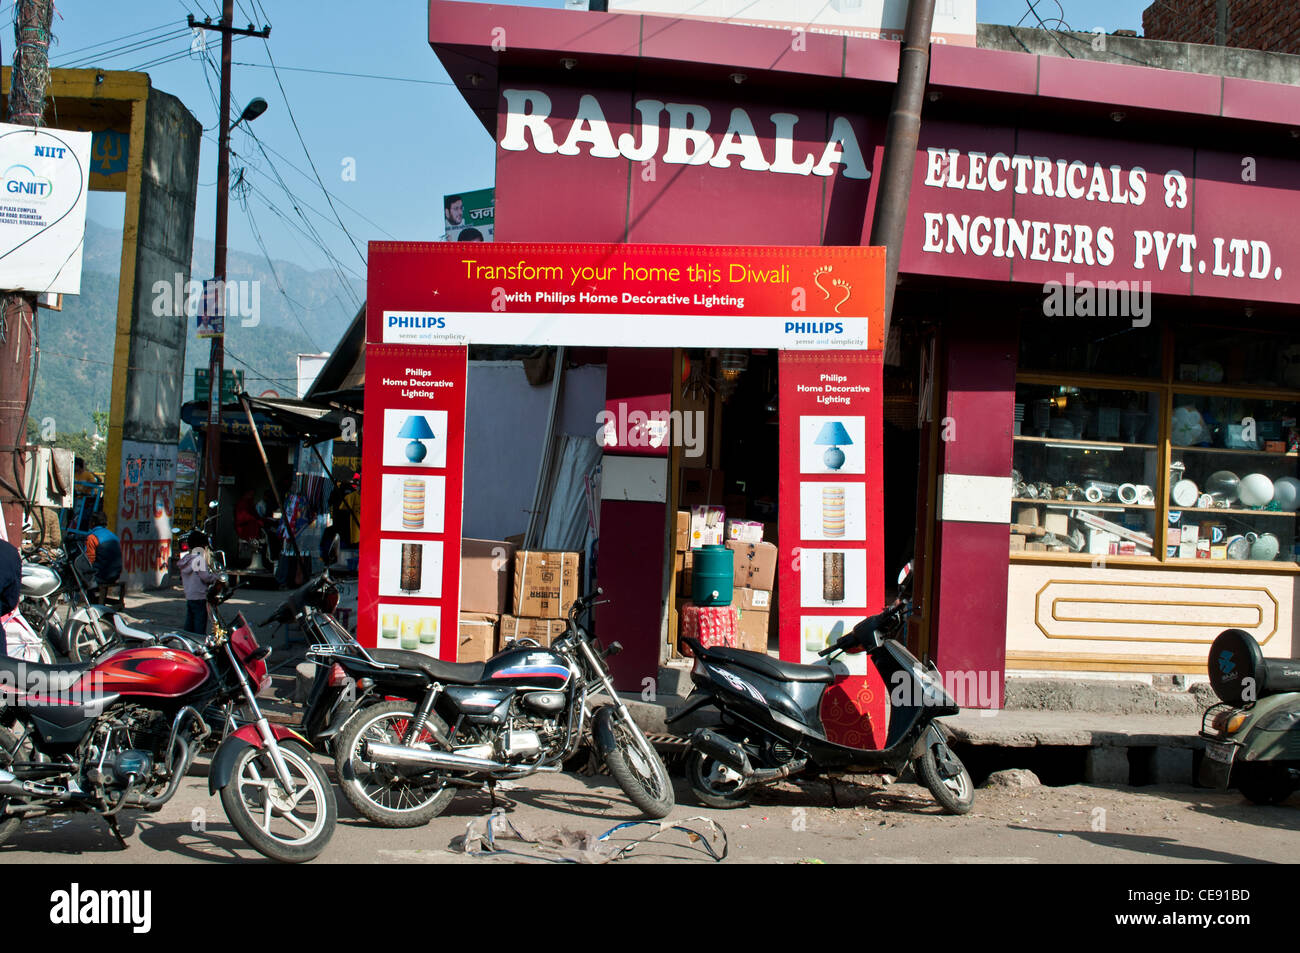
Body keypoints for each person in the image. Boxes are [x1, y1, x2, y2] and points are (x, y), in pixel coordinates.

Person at [178, 530, 216, 635]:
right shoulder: (198, 560)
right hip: (199, 596)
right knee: (199, 624)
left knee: (190, 622)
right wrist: (215, 577)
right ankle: (198, 643)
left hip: (189, 595)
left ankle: (187, 640)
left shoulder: (186, 559)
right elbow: (206, 577)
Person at [84, 511, 122, 602]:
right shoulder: (113, 536)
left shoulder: (92, 537)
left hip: (102, 576)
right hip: (115, 574)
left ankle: (87, 601)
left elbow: (90, 559)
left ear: (93, 522)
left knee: (82, 574)